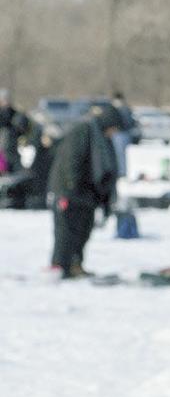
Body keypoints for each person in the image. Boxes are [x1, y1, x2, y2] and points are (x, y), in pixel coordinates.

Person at [47, 102, 122, 278]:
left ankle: (75, 264)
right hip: (69, 191)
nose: (115, 133)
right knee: (66, 231)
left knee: (83, 230)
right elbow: (71, 161)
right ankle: (61, 267)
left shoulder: (102, 139)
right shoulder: (82, 131)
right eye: (114, 128)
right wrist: (72, 188)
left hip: (87, 193)